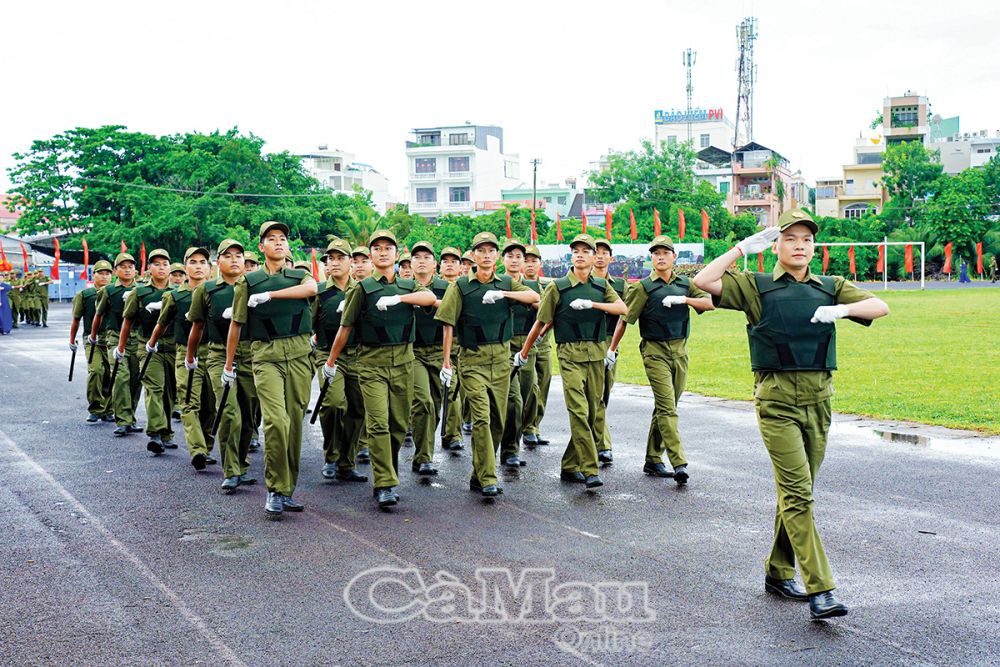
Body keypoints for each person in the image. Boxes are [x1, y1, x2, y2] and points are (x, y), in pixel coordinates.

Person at [693, 209, 890, 620]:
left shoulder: (830, 286)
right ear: (776, 246)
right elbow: (704, 281)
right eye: (791, 238)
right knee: (799, 493)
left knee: (797, 492)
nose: (800, 245)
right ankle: (823, 589)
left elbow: (880, 306)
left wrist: (842, 311)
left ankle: (777, 571)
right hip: (777, 400)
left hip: (819, 398)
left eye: (806, 239)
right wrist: (742, 248)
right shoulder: (756, 286)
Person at [321, 230, 436, 509]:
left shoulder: (409, 287)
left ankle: (388, 468)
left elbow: (430, 299)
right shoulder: (361, 289)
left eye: (388, 248)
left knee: (398, 424)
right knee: (378, 424)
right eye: (377, 248)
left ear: (396, 255)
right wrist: (330, 361)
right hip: (371, 363)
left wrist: (399, 300)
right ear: (370, 255)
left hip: (404, 362)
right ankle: (384, 482)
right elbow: (345, 328)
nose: (383, 252)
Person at [517, 234, 627, 490]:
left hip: (597, 353)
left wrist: (593, 304)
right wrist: (524, 351)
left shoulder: (601, 286)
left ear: (593, 257)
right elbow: (542, 321)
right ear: (571, 256)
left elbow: (623, 309)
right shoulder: (558, 287)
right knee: (578, 410)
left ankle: (569, 465)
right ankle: (589, 468)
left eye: (585, 251)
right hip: (569, 354)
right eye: (575, 251)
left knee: (592, 411)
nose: (580, 254)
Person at [435, 231, 539, 499]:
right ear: (474, 255)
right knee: (481, 418)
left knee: (497, 421)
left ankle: (478, 472)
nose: (486, 255)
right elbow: (448, 323)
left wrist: (503, 294)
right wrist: (447, 362)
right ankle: (489, 478)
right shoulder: (460, 287)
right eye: (481, 251)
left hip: (501, 360)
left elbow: (533, 298)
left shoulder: (506, 282)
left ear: (496, 255)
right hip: (472, 359)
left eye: (491, 250)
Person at [227, 221, 318, 519]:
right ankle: (275, 489)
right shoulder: (248, 282)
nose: (278, 243)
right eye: (271, 239)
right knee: (276, 421)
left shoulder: (299, 275)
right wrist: (228, 365)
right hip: (265, 355)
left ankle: (286, 489)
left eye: (282, 239)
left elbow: (311, 288)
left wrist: (273, 296)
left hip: (299, 353)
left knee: (293, 423)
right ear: (261, 247)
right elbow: (236, 325)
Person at [608, 235, 714, 485]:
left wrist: (684, 300)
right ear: (651, 258)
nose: (661, 257)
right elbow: (625, 319)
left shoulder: (685, 284)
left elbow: (709, 303)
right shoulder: (643, 287)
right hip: (654, 351)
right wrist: (612, 349)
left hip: (679, 351)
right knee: (668, 408)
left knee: (666, 406)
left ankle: (653, 459)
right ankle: (679, 462)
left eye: (665, 253)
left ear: (674, 256)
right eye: (656, 253)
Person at [183, 239, 260, 492]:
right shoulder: (205, 290)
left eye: (239, 255)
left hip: (251, 355)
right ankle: (231, 470)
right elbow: (197, 326)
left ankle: (242, 464)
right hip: (218, 356)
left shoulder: (254, 286)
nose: (235, 259)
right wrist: (191, 356)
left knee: (249, 415)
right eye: (228, 256)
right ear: (218, 262)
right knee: (228, 412)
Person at [146, 247, 216, 464]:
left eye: (203, 262)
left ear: (210, 268)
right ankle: (197, 450)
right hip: (185, 354)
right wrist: (151, 343)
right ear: (185, 267)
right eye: (193, 262)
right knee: (188, 402)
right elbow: (162, 323)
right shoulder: (174, 296)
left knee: (210, 405)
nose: (198, 266)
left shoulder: (218, 293)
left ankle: (206, 444)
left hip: (214, 353)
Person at [311, 237, 367, 484]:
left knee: (357, 408)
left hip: (359, 354)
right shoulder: (320, 292)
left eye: (340, 258)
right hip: (327, 354)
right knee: (333, 402)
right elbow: (309, 324)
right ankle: (331, 456)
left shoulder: (364, 290)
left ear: (351, 262)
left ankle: (347, 461)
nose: (334, 263)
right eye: (330, 258)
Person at [408, 241, 450, 475]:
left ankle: (424, 452)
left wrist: (448, 359)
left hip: (437, 350)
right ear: (410, 263)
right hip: (412, 352)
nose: (421, 260)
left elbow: (451, 322)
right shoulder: (404, 287)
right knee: (422, 400)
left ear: (435, 264)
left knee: (434, 404)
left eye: (426, 257)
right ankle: (423, 457)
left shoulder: (446, 288)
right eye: (417, 257)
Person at [90, 253, 142, 437]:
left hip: (138, 339)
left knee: (136, 379)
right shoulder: (108, 291)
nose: (127, 269)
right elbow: (99, 315)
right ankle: (123, 420)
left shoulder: (142, 289)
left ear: (135, 269)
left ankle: (131, 416)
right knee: (121, 377)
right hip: (115, 338)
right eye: (123, 266)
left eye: (130, 266)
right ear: (115, 271)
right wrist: (94, 335)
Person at [498, 238, 535, 468]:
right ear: (503, 259)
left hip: (527, 348)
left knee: (525, 397)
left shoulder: (534, 287)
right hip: (502, 348)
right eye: (510, 256)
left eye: (518, 256)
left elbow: (544, 310)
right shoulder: (495, 283)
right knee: (513, 401)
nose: (514, 260)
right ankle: (508, 449)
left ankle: (512, 444)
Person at [592, 238, 626, 464]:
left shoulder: (621, 286)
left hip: (609, 341)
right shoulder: (585, 283)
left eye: (605, 252)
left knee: (604, 394)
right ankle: (602, 444)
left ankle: (596, 440)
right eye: (596, 252)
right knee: (593, 396)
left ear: (611, 258)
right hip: (589, 341)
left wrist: (613, 348)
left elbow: (625, 316)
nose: (600, 256)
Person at [70, 261, 114, 421]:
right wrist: (71, 339)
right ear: (93, 275)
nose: (104, 276)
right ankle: (95, 408)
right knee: (96, 371)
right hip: (92, 339)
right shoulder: (84, 295)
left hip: (111, 339)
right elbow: (76, 318)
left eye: (107, 273)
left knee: (110, 374)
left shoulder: (116, 294)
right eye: (100, 273)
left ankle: (108, 410)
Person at [521, 245, 553, 446]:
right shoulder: (518, 285)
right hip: (524, 341)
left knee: (543, 383)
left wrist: (543, 334)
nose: (530, 264)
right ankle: (525, 427)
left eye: (534, 260)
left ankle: (534, 424)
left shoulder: (548, 286)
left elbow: (554, 312)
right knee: (528, 386)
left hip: (544, 343)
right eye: (527, 260)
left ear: (540, 263)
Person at [436, 246, 465, 451]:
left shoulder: (464, 287)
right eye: (445, 261)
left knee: (456, 390)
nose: (449, 264)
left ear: (460, 266)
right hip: (436, 344)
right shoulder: (435, 287)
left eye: (453, 261)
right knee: (446, 390)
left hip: (461, 344)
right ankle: (450, 433)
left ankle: (452, 432)